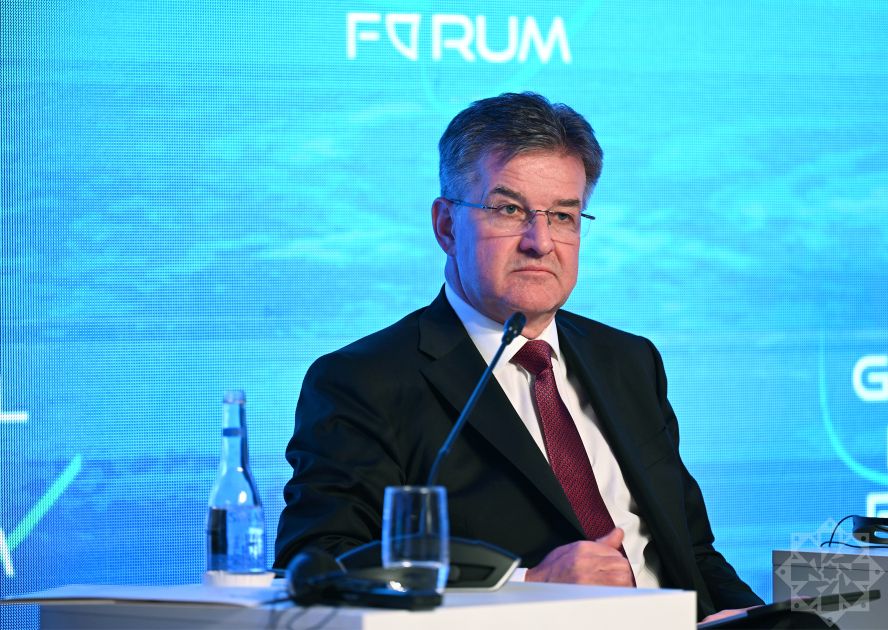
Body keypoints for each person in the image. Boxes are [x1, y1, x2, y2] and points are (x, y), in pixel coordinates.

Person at [275, 92, 764, 621]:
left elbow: (692, 553)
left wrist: (759, 620)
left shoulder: (629, 361)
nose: (540, 241)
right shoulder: (363, 380)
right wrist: (529, 585)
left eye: (563, 216)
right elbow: (319, 565)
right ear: (446, 226)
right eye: (509, 210)